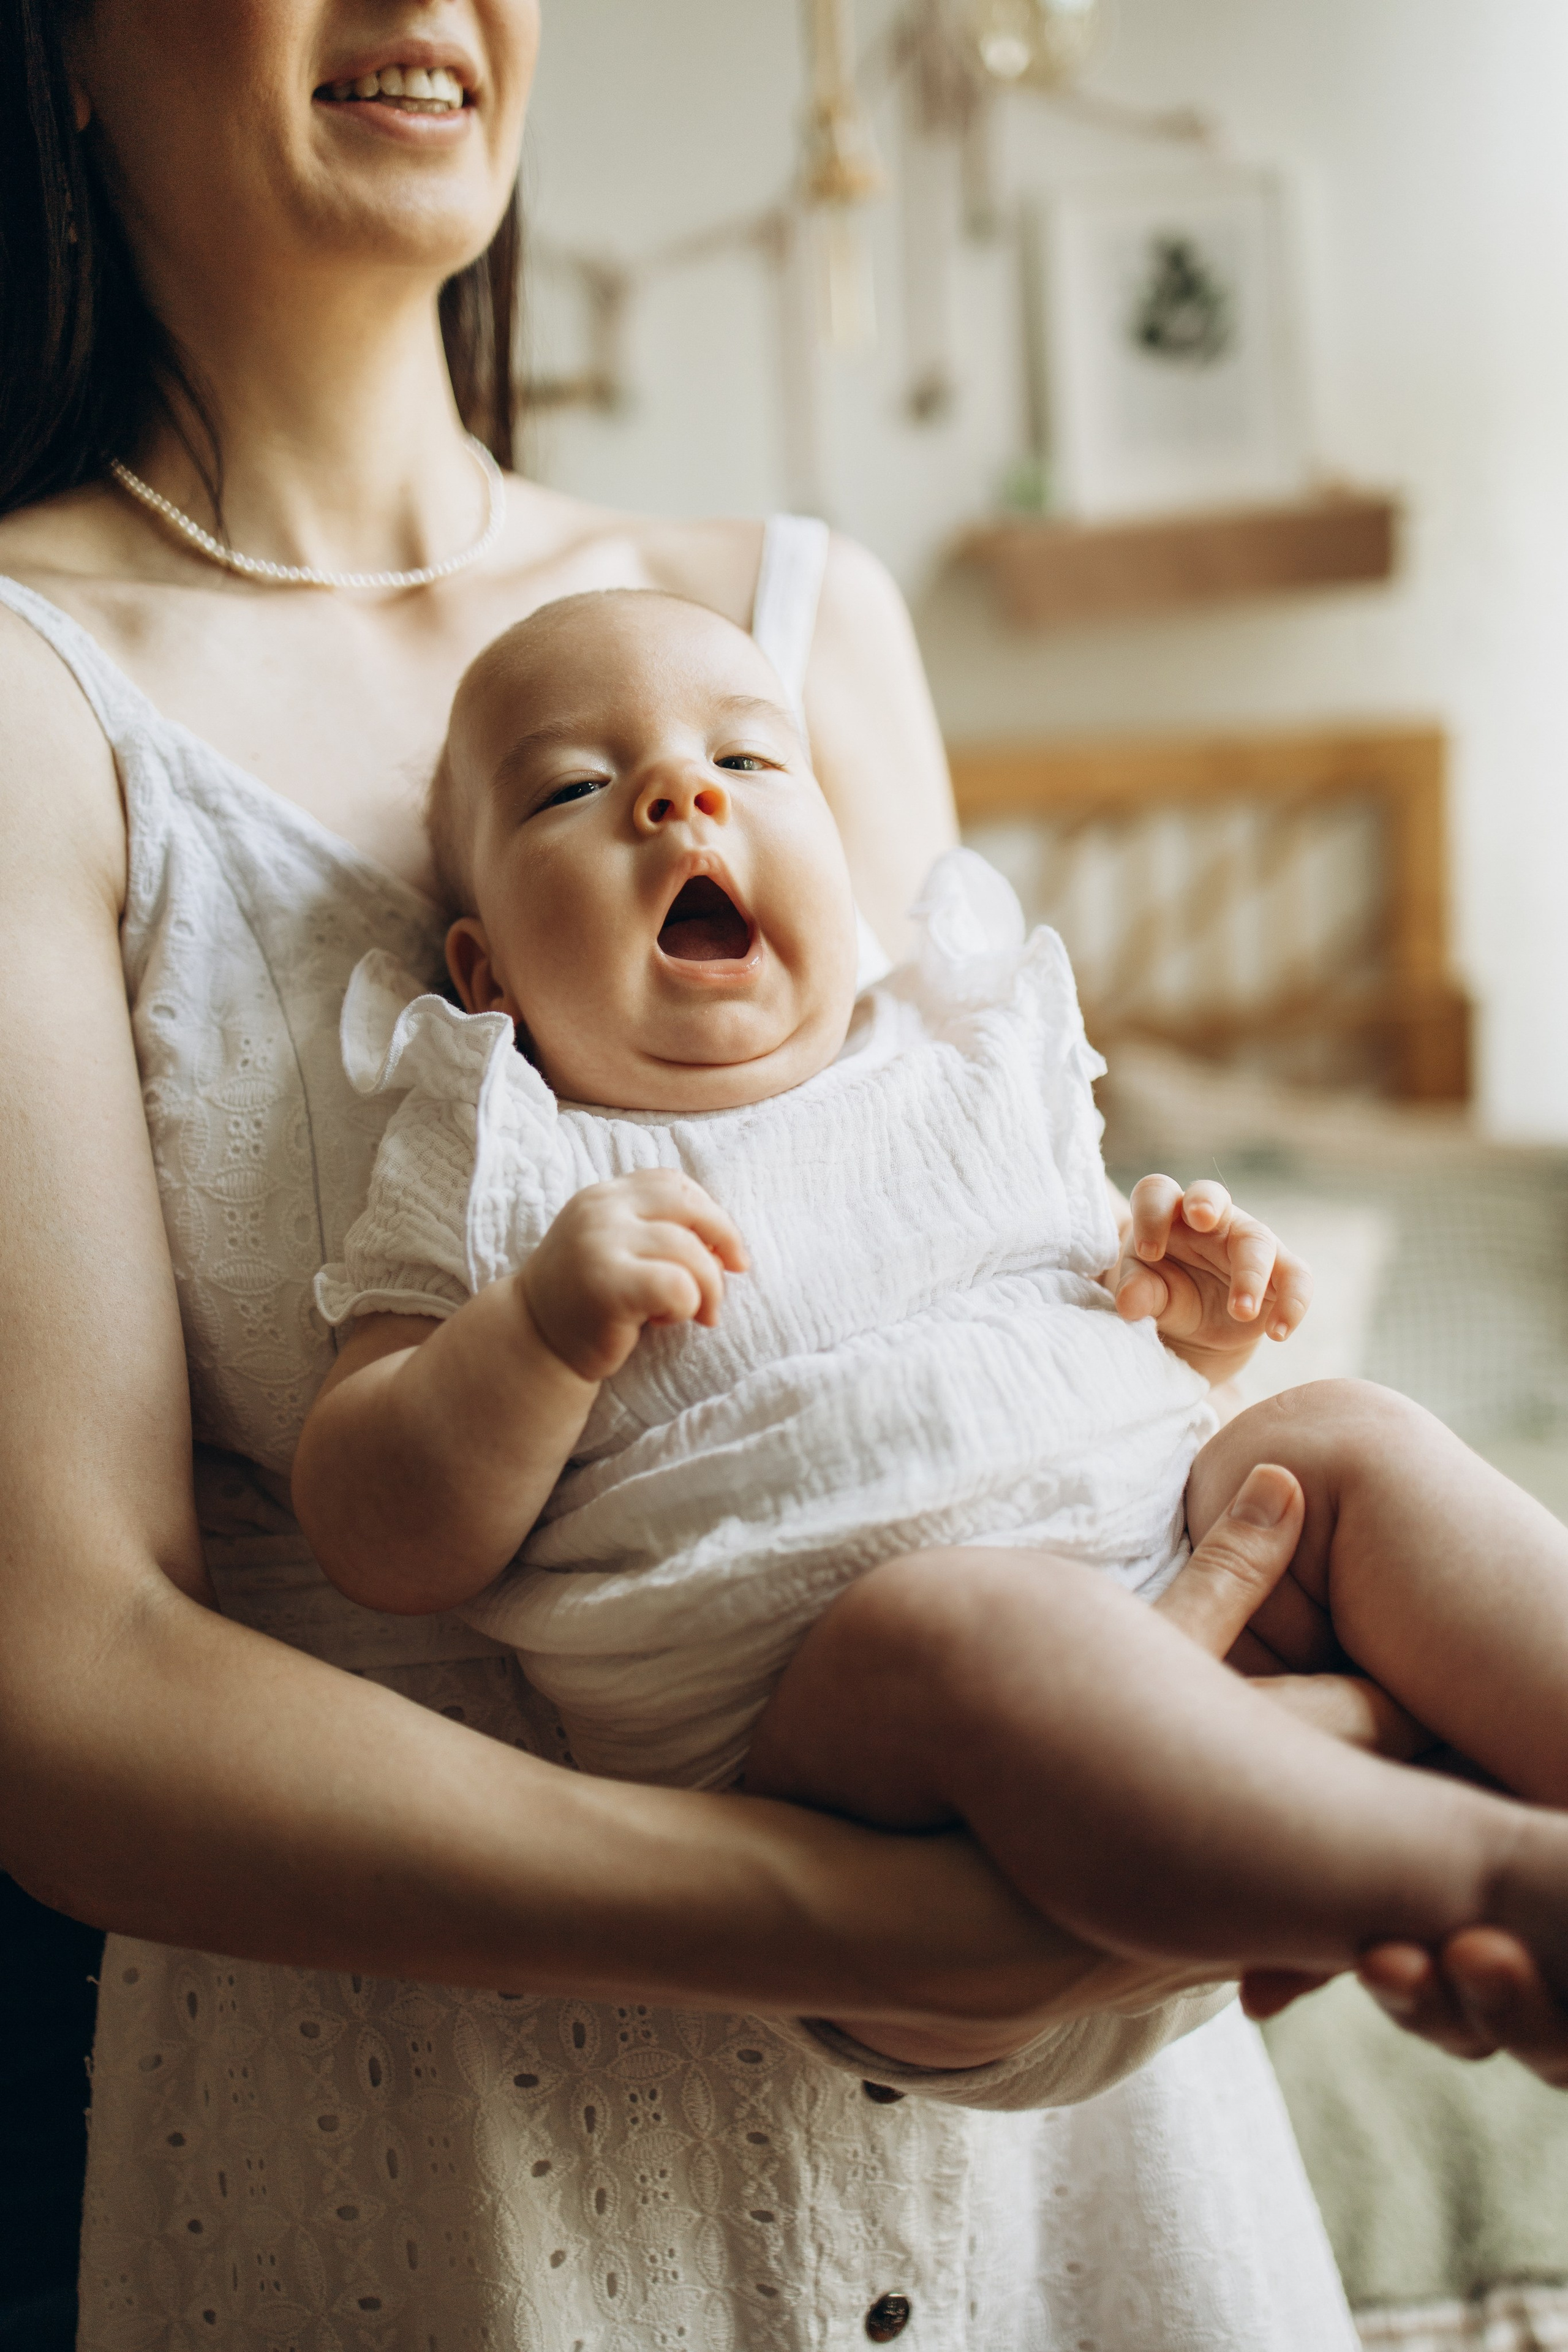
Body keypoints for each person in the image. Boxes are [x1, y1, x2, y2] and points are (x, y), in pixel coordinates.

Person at [0, 4, 1561, 2345]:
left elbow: (994, 1287)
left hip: (1081, 2165)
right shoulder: (39, 689)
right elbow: (76, 1687)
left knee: (1360, 1445)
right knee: (985, 1651)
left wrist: (1196, 1345)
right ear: (71, 47)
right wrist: (885, 1914)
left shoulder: (800, 623)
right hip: (462, 2167)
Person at [294, 586, 1568, 1997]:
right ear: (487, 976)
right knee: (950, 1628)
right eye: (575, 790)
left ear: (840, 873)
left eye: (748, 761)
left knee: (1344, 1438)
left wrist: (1187, 1328)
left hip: (1180, 1588)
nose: (676, 795)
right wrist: (531, 1336)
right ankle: (1492, 1882)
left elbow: (1077, 1352)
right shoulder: (501, 1152)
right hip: (855, 1787)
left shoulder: (959, 1060)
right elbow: (373, 1531)